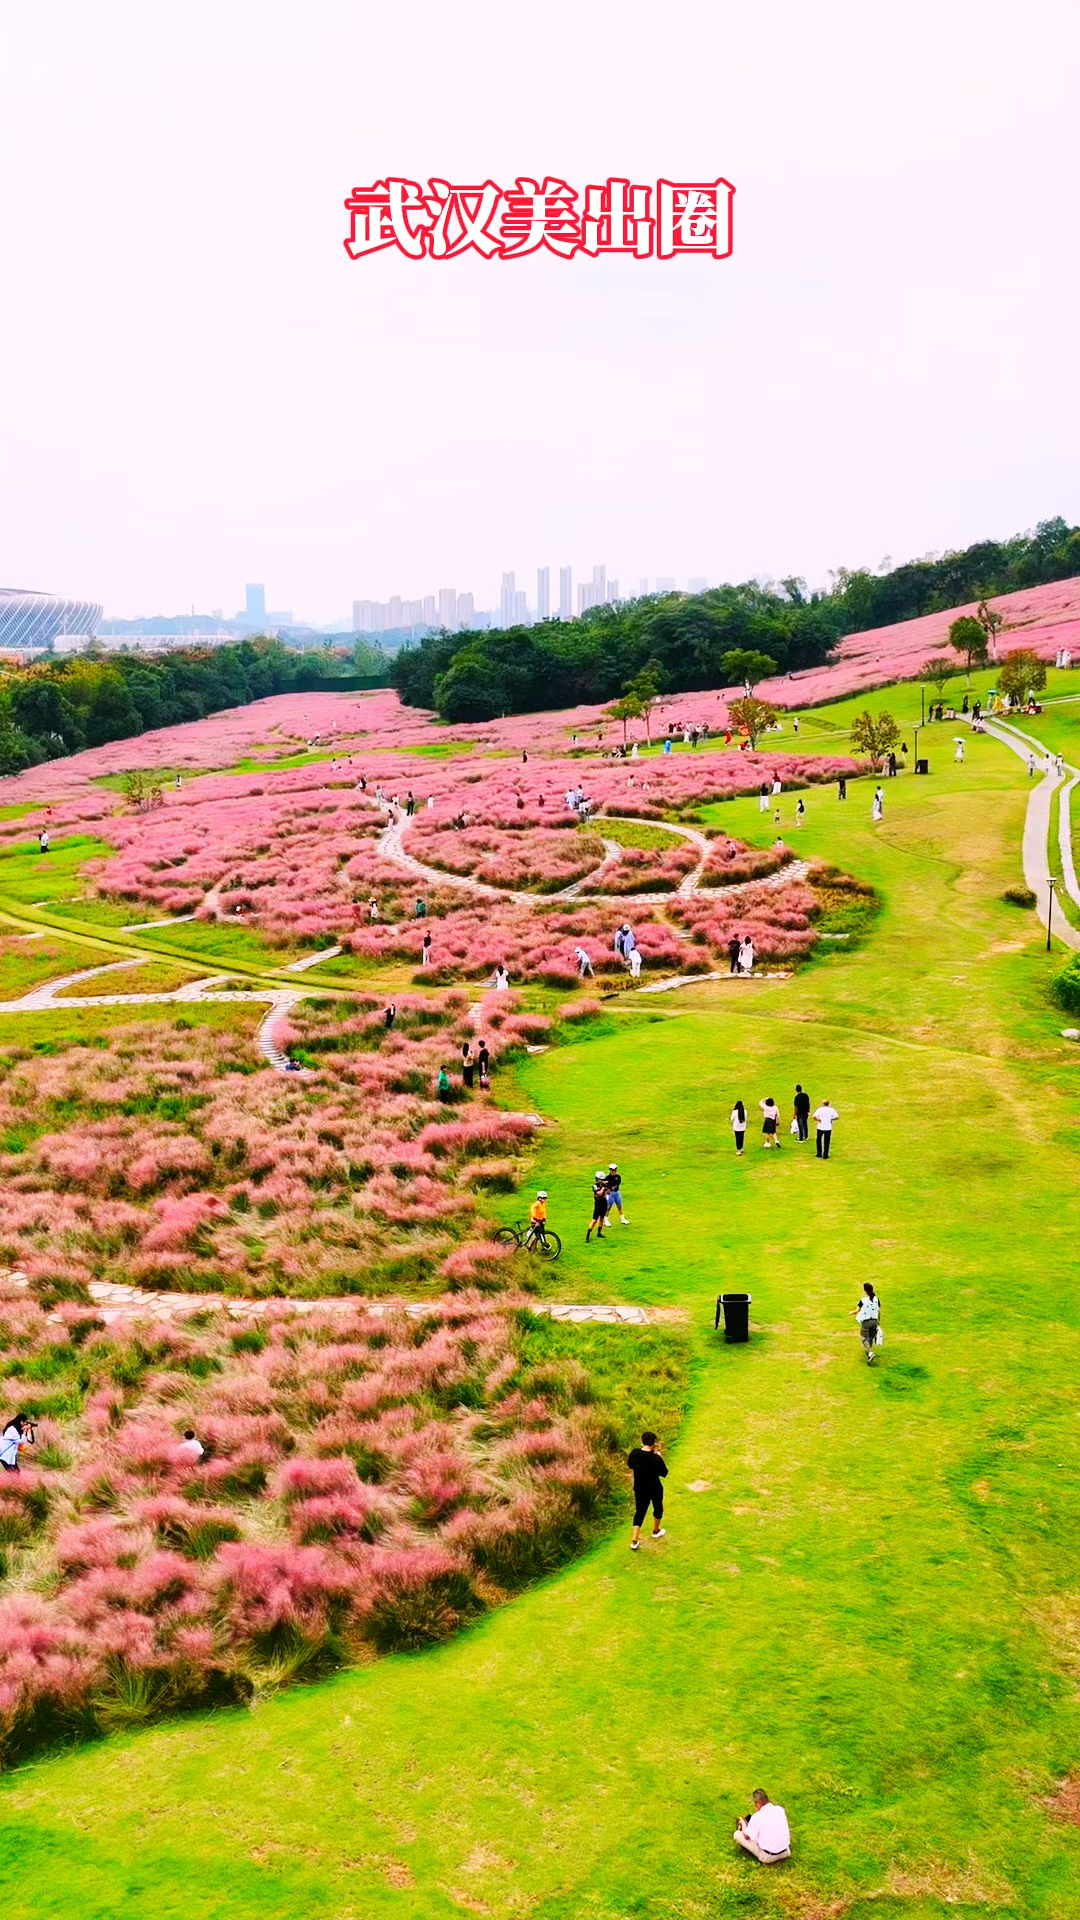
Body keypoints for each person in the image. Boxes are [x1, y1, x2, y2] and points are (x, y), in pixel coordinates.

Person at [627, 1431, 667, 1550]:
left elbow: (630, 1465)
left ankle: (634, 1540)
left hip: (640, 1488)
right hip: (654, 1487)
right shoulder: (655, 1458)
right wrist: (660, 1456)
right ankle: (656, 1531)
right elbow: (664, 1473)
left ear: (642, 1441)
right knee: (658, 1508)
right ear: (653, 1443)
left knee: (640, 1512)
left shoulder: (634, 1453)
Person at [735, 1790, 791, 1864]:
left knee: (737, 1834)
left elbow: (746, 1836)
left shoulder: (757, 1816)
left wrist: (743, 1823)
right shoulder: (780, 1809)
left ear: (758, 1803)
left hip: (768, 1857)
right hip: (786, 1851)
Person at [851, 1282, 882, 1364]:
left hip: (866, 1321)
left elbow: (857, 1311)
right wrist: (878, 1321)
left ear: (865, 1291)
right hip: (874, 1321)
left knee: (864, 1338)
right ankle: (869, 1352)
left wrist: (851, 1312)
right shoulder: (876, 1299)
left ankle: (870, 1353)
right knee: (871, 1337)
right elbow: (878, 1311)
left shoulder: (863, 1300)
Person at [586, 1169, 609, 1242]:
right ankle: (588, 1235)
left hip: (604, 1203)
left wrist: (607, 1187)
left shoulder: (604, 1185)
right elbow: (599, 1194)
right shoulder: (594, 1186)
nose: (602, 1181)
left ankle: (599, 1233)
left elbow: (608, 1193)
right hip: (598, 1204)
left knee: (602, 1218)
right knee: (594, 1220)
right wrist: (603, 1188)